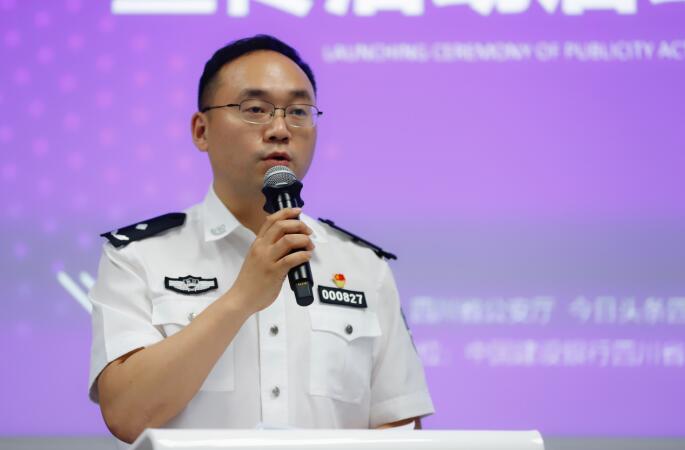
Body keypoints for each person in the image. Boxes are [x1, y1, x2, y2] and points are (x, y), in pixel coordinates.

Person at [88, 34, 434, 445]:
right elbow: (126, 414)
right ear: (201, 130)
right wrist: (242, 298)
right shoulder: (139, 256)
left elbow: (400, 425)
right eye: (255, 109)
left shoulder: (363, 266)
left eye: (299, 111)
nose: (280, 129)